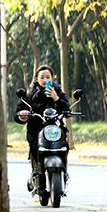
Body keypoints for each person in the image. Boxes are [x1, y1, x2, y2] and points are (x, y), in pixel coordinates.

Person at [14, 64, 70, 192]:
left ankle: (64, 173)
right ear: (36, 79)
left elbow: (67, 108)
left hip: (55, 128)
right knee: (35, 147)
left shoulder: (58, 92)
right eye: (42, 77)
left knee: (64, 146)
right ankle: (36, 172)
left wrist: (56, 99)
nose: (45, 80)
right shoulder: (30, 94)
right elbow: (20, 111)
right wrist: (22, 115)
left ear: (52, 78)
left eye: (48, 77)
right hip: (36, 129)